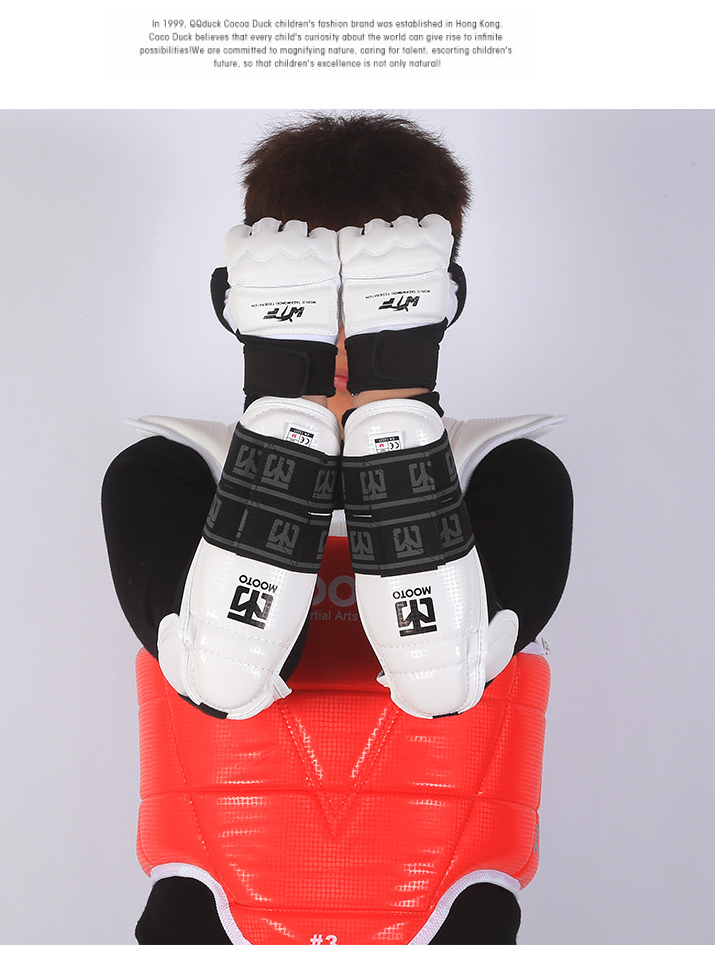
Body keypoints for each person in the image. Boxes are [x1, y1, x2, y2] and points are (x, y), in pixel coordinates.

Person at [101, 112, 573, 944]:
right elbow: (225, 675)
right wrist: (288, 394)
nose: (349, 329)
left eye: (383, 294)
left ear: (445, 298)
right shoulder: (172, 470)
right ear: (238, 300)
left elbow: (445, 677)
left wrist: (393, 394)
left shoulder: (506, 473)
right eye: (319, 296)